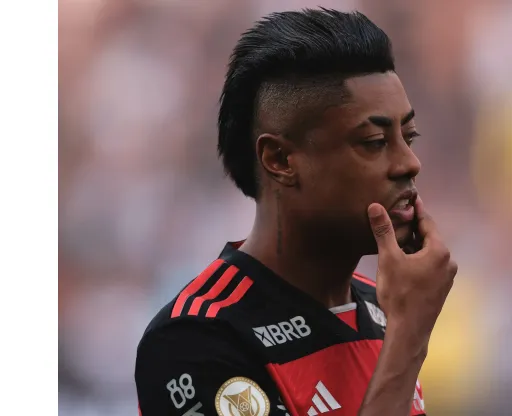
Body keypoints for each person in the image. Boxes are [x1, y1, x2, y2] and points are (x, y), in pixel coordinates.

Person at [135, 8, 457, 416]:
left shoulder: (384, 305)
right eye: (375, 141)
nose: (409, 163)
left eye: (408, 136)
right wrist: (408, 340)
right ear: (281, 159)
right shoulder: (196, 339)